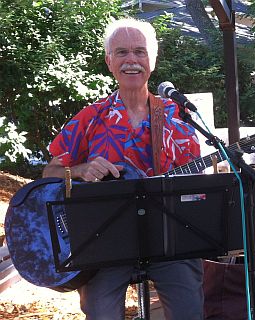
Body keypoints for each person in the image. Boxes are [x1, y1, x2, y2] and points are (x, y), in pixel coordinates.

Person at [42, 18, 203, 319]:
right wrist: (78, 170)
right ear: (109, 61)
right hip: (105, 244)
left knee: (189, 310)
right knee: (100, 312)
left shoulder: (177, 118)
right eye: (122, 52)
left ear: (152, 61)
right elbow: (49, 172)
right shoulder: (90, 117)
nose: (132, 60)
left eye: (140, 52)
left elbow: (195, 184)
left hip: (167, 239)